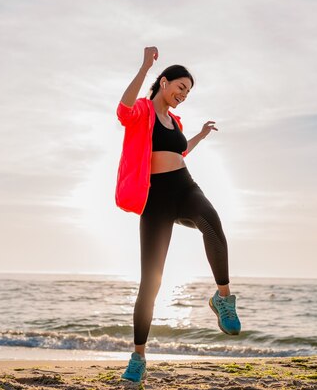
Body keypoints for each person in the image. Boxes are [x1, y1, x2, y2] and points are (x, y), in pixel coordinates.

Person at [115, 46, 241, 383]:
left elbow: (178, 150)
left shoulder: (175, 121)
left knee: (211, 223)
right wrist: (144, 66)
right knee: (150, 284)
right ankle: (138, 357)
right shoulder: (142, 110)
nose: (183, 95)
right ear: (164, 82)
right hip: (155, 199)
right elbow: (123, 108)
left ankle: (223, 299)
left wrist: (197, 135)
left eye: (187, 92)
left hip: (184, 187)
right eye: (180, 88)